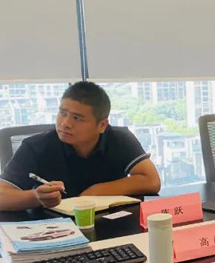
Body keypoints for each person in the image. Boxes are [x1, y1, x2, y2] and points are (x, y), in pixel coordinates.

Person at [0, 82, 161, 211]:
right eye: (63, 113)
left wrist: (96, 192)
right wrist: (36, 197)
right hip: (54, 228)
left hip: (111, 224)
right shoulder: (36, 147)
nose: (65, 123)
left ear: (102, 125)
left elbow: (151, 181)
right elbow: (2, 195)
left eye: (77, 118)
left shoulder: (119, 139)